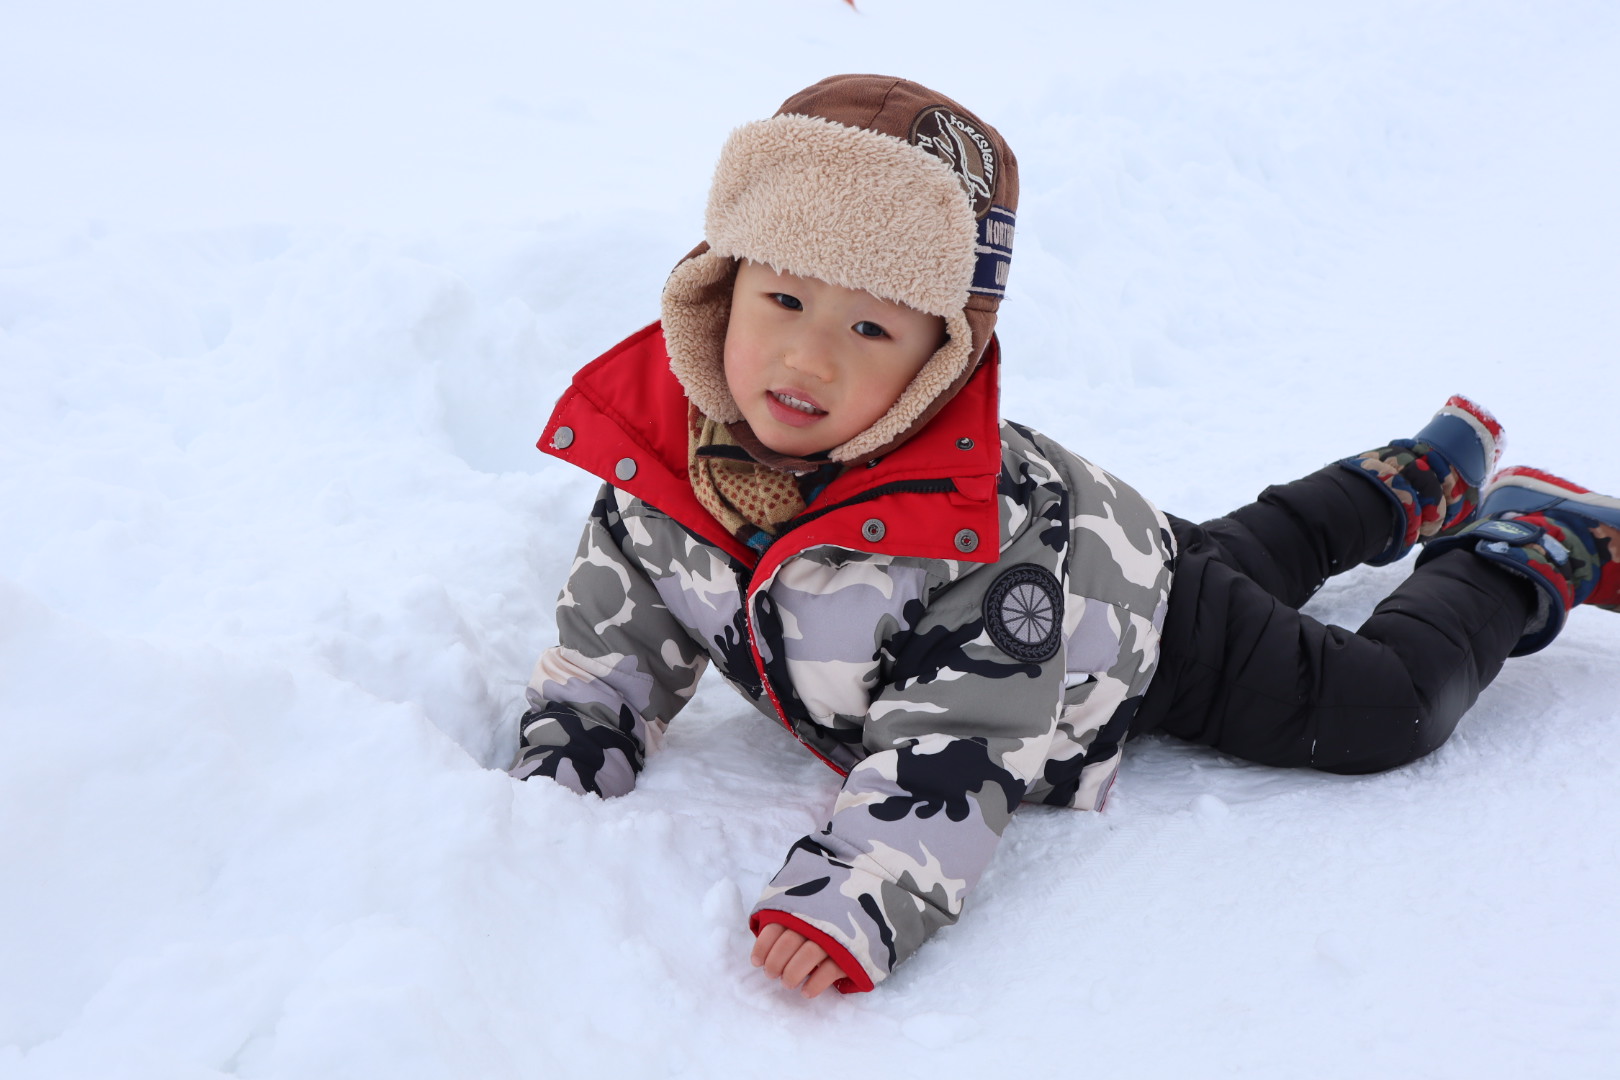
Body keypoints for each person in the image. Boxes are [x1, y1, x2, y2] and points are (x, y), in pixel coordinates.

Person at [510, 74, 1620, 998]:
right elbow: (626, 618)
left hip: (1129, 637)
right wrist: (580, 732)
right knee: (1246, 554)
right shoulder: (661, 460)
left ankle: (1516, 549)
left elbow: (959, 741)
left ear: (937, 359)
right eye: (784, 301)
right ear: (718, 291)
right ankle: (1403, 481)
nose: (809, 361)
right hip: (1113, 547)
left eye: (869, 326)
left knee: (1373, 704)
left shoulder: (965, 541)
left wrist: (856, 889)